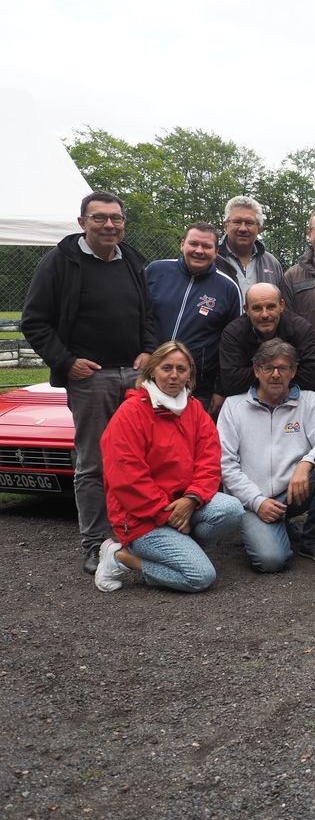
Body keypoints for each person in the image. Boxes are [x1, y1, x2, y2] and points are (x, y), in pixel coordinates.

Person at [22, 190, 158, 575]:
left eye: (116, 218)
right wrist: (66, 362)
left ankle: (135, 533)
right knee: (93, 462)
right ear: (82, 223)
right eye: (100, 218)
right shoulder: (59, 263)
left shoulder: (131, 260)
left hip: (134, 375)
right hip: (91, 379)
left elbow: (147, 313)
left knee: (139, 458)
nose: (109, 225)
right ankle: (96, 542)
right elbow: (34, 321)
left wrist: (149, 350)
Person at [93, 342, 242, 593]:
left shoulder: (193, 408)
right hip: (141, 517)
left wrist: (192, 499)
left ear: (189, 375)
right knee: (200, 577)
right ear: (152, 371)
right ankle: (120, 558)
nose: (174, 375)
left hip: (182, 504)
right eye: (167, 368)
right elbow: (127, 479)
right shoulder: (130, 413)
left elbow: (209, 461)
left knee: (232, 509)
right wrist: (169, 516)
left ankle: (182, 549)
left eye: (181, 369)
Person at [217, 339, 315, 572]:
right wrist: (257, 501)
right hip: (254, 501)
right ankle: (275, 528)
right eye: (268, 368)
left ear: (293, 372)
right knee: (271, 561)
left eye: (283, 368)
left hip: (294, 491)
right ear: (256, 370)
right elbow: (226, 464)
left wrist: (306, 464)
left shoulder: (310, 400)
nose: (275, 375)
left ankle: (313, 539)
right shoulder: (233, 406)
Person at [145, 222, 242, 412]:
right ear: (182, 244)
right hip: (148, 378)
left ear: (216, 252)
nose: (199, 251)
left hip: (198, 388)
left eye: (206, 246)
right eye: (193, 244)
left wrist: (221, 389)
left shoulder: (228, 288)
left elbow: (233, 345)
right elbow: (139, 317)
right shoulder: (156, 271)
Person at [219, 283, 315, 399]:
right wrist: (283, 370)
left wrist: (262, 373)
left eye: (271, 307)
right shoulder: (233, 333)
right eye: (257, 308)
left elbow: (312, 377)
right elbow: (230, 382)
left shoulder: (301, 329)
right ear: (246, 310)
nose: (264, 314)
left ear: (282, 305)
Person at [216, 196, 285, 298]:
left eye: (249, 223)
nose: (243, 228)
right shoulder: (212, 259)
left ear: (259, 228)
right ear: (226, 225)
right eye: (237, 222)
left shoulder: (272, 264)